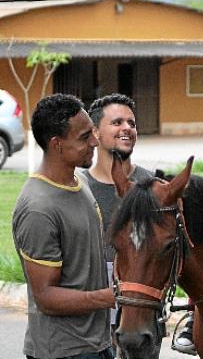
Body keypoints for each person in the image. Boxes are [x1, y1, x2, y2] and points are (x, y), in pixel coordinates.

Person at [12, 93, 115, 359]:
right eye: (84, 137)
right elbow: (46, 297)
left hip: (98, 344)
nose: (94, 141)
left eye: (92, 132)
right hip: (63, 351)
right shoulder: (38, 208)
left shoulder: (80, 182)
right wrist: (111, 296)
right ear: (57, 144)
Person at [83, 93, 154, 355]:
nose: (127, 128)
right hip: (91, 322)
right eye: (117, 123)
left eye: (132, 123)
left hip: (142, 323)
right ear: (95, 133)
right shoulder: (80, 188)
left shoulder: (151, 186)